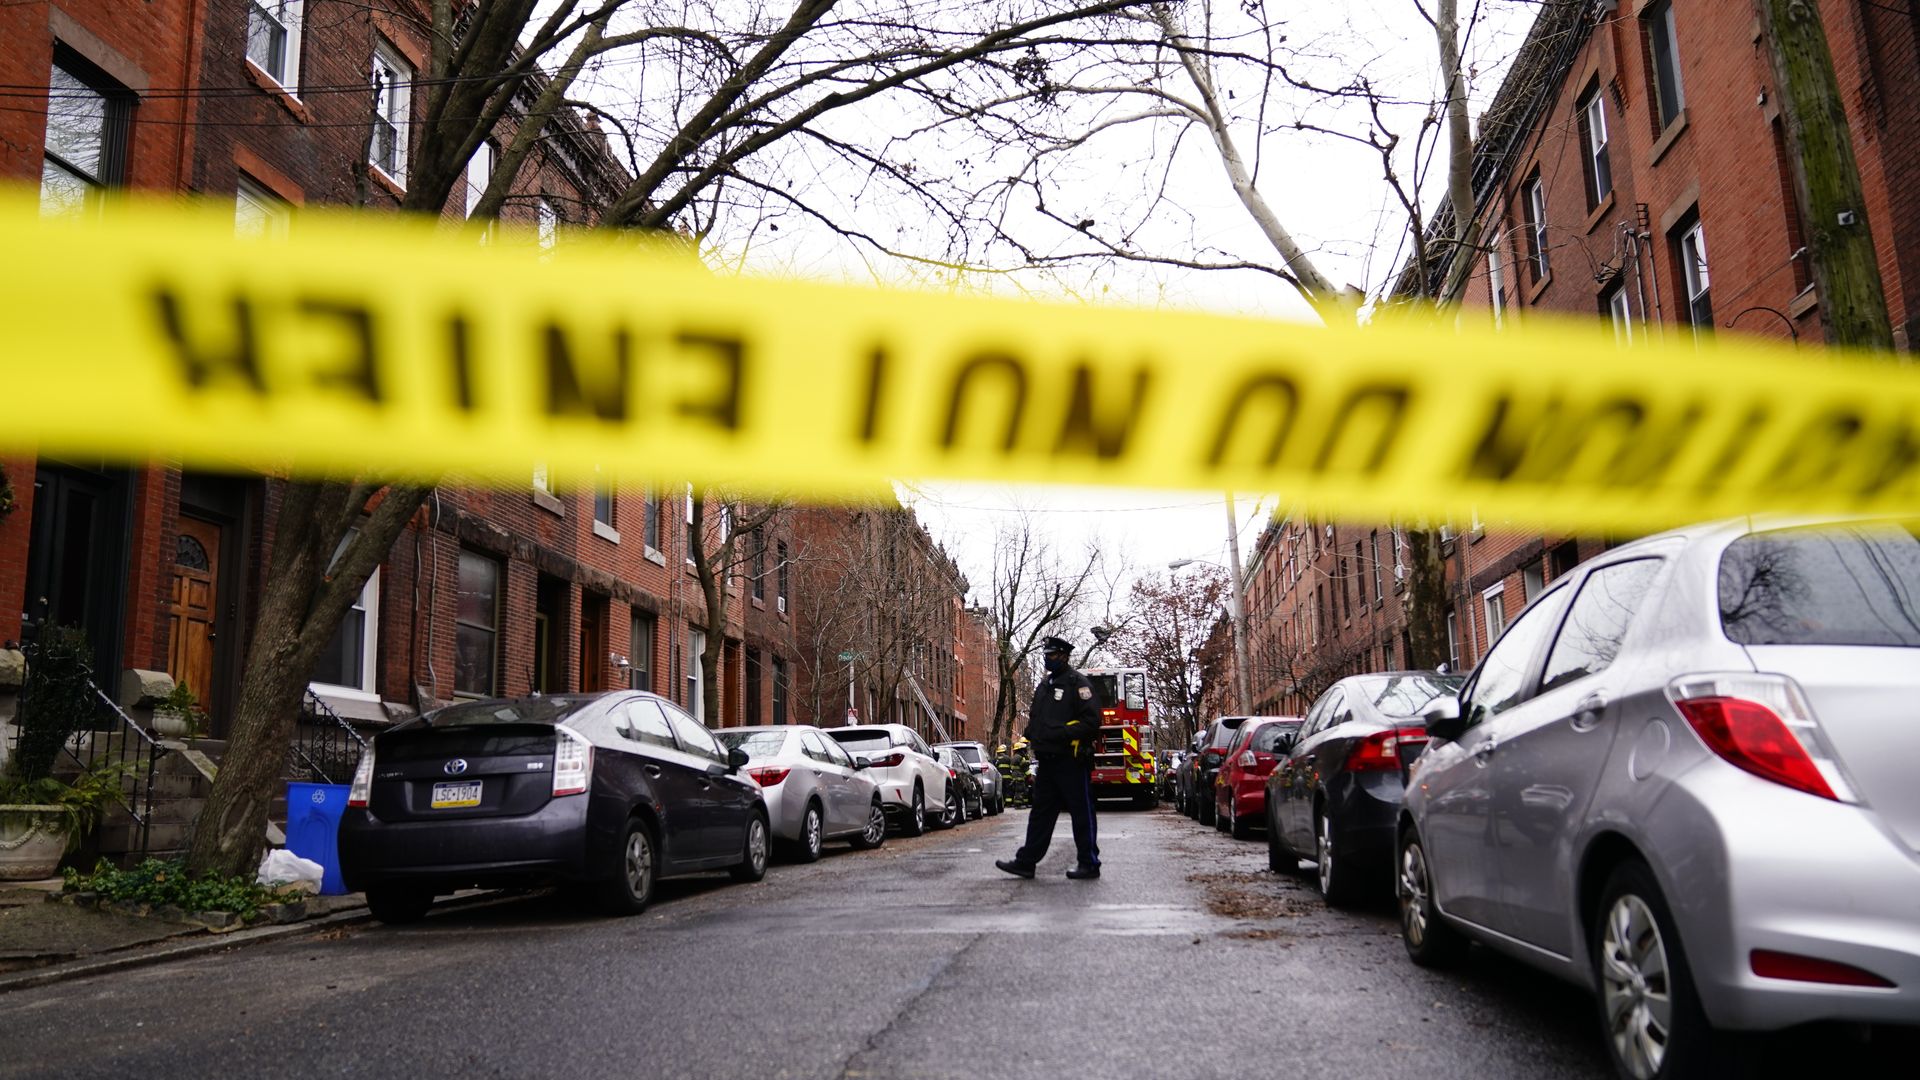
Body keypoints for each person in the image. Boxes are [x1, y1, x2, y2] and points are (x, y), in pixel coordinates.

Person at [996, 635, 1101, 880]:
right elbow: (1037, 717)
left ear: (1064, 656)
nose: (1047, 659)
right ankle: (1026, 862)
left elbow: (1091, 722)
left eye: (1052, 655)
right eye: (1046, 655)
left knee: (1081, 812)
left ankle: (1089, 863)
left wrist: (1061, 733)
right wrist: (1033, 732)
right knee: (1041, 813)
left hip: (1071, 760)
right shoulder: (1045, 686)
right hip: (1047, 761)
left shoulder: (1078, 684)